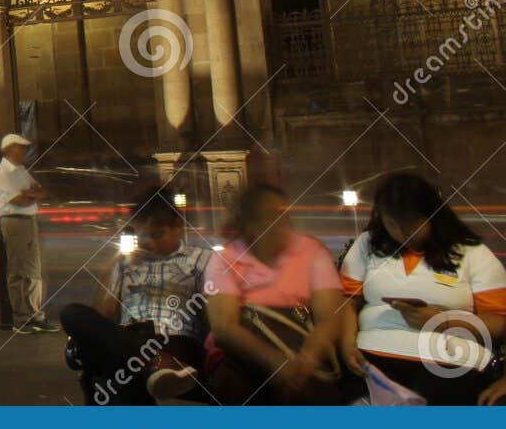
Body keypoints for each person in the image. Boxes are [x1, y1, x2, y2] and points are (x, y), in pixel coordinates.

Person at [338, 172, 506, 405]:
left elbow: (499, 322)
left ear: (432, 216)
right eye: (391, 224)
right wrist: (347, 342)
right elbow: (348, 300)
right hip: (372, 356)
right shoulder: (367, 244)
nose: (401, 233)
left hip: (448, 359)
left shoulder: (472, 253)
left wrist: (441, 322)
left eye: (410, 225)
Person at [60, 186, 212, 404]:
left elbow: (216, 308)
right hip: (128, 337)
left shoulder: (200, 259)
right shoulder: (127, 262)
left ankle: (155, 363)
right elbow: (103, 315)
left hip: (175, 339)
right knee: (72, 314)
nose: (148, 242)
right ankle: (156, 362)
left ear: (178, 227)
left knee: (120, 371)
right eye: (142, 235)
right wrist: (118, 266)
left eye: (157, 234)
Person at [204, 183, 350, 404]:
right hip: (244, 354)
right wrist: (275, 362)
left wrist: (308, 358)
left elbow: (328, 316)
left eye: (281, 215)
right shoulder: (225, 259)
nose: (277, 224)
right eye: (267, 217)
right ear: (249, 225)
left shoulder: (311, 251)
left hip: (302, 344)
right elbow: (225, 327)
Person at [0, 133, 57, 333]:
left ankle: (36, 315)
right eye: (21, 147)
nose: (24, 151)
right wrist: (29, 195)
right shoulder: (1, 173)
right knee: (18, 271)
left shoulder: (21, 171)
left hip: (29, 222)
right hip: (14, 223)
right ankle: (21, 318)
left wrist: (29, 195)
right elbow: (18, 201)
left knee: (34, 272)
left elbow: (41, 192)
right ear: (9, 149)